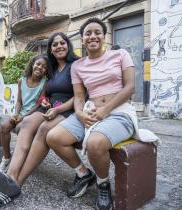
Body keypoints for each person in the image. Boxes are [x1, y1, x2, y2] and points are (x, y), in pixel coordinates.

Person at [46, 17, 137, 210]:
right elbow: (79, 96)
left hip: (119, 112)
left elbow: (130, 88)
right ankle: (83, 173)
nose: (93, 36)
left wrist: (106, 109)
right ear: (82, 39)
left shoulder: (120, 55)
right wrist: (79, 113)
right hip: (90, 112)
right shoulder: (78, 66)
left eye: (97, 32)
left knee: (96, 143)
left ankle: (103, 184)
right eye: (88, 33)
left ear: (104, 36)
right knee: (54, 137)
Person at [0, 32, 78, 207]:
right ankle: (10, 176)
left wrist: (55, 108)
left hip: (66, 110)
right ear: (50, 49)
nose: (59, 46)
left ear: (68, 44)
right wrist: (45, 101)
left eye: (62, 43)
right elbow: (46, 95)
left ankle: (16, 184)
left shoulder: (76, 65)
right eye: (54, 44)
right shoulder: (52, 69)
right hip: (49, 108)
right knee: (26, 123)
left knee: (43, 129)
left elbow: (80, 95)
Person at [0, 54, 49, 172]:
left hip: (33, 115)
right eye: (38, 64)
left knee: (21, 127)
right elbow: (19, 101)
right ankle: (6, 158)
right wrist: (16, 113)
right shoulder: (22, 80)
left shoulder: (44, 82)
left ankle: (17, 162)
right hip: (20, 114)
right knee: (4, 126)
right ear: (32, 64)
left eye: (44, 67)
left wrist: (23, 117)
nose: (40, 67)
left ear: (46, 70)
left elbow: (38, 104)